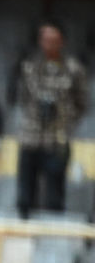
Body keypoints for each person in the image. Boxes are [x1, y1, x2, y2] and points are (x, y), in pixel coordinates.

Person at [15, 22, 89, 218]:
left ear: (62, 42)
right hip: (31, 137)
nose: (49, 44)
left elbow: (82, 103)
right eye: (45, 39)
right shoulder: (29, 66)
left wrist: (65, 118)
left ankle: (52, 235)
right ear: (40, 41)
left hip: (58, 140)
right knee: (24, 199)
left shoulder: (74, 69)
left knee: (54, 199)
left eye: (53, 40)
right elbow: (22, 98)